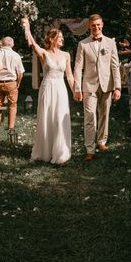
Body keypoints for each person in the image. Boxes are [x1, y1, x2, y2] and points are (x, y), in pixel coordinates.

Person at [23, 19, 75, 165]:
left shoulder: (66, 55)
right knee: (46, 118)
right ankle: (45, 152)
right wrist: (27, 27)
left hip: (61, 89)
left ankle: (61, 155)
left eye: (62, 38)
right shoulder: (44, 54)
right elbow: (33, 45)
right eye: (60, 37)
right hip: (47, 88)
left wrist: (75, 90)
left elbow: (69, 75)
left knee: (59, 119)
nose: (62, 40)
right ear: (52, 39)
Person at [73, 14, 122, 161]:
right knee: (90, 117)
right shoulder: (83, 44)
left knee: (104, 115)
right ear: (89, 26)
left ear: (102, 25)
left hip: (107, 85)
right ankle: (90, 149)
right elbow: (78, 67)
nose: (96, 28)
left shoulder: (110, 43)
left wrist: (118, 87)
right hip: (89, 85)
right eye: (93, 25)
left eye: (98, 25)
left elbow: (115, 66)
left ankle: (101, 141)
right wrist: (77, 87)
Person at [0, 36, 25, 133]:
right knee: (12, 105)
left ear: (2, 43)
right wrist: (18, 83)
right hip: (11, 82)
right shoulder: (16, 55)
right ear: (12, 44)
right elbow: (20, 72)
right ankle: (11, 127)